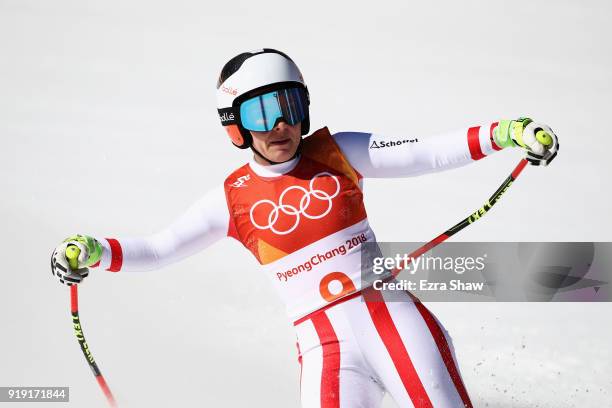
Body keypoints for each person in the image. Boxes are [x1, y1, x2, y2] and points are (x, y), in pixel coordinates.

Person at [51, 48, 559, 407]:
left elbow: (424, 152)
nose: (281, 124)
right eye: (262, 111)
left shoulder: (338, 152)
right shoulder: (230, 199)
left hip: (394, 322)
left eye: (290, 106)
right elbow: (158, 249)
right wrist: (94, 250)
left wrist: (502, 133)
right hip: (325, 348)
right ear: (235, 122)